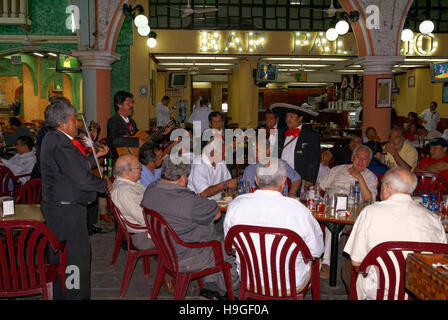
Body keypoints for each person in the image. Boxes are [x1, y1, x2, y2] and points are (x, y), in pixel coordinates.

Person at [40, 97, 111, 300]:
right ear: (62, 122)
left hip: (60, 211)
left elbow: (72, 169)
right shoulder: (61, 143)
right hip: (66, 214)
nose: (77, 123)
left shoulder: (54, 138)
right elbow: (81, 179)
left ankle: (64, 294)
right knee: (74, 260)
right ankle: (73, 296)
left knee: (62, 258)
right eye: (74, 119)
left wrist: (96, 157)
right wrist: (104, 184)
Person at [141, 156, 240, 300]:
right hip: (186, 255)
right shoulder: (188, 201)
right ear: (182, 178)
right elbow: (217, 214)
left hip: (166, 250)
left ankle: (211, 287)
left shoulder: (151, 190)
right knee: (230, 252)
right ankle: (230, 292)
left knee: (209, 234)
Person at [343, 167, 447, 300]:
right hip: (422, 290)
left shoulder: (370, 212)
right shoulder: (433, 217)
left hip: (381, 292)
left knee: (347, 266)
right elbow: (442, 259)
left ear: (387, 188)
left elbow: (356, 262)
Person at [224, 158, 324, 290]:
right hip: (289, 284)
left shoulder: (235, 206)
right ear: (283, 183)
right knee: (317, 261)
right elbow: (316, 251)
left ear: (256, 179)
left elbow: (231, 246)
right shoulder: (299, 211)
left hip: (250, 280)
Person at [317, 145, 378, 279]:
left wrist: (359, 178)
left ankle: (326, 262)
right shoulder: (337, 169)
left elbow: (369, 199)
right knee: (331, 223)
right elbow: (319, 187)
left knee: (332, 226)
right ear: (352, 157)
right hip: (331, 209)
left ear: (368, 162)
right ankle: (319, 260)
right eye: (358, 157)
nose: (360, 162)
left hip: (354, 216)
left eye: (365, 159)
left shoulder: (370, 177)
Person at [271, 103, 321, 189]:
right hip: (280, 176)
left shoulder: (311, 136)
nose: (288, 119)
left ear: (300, 118)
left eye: (291, 116)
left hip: (300, 177)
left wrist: (311, 179)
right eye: (287, 117)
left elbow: (314, 159)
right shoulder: (280, 134)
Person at [110, 154, 155, 250]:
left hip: (147, 228)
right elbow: (144, 219)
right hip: (143, 236)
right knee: (186, 231)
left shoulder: (129, 183)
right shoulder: (124, 191)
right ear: (127, 172)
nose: (141, 170)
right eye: (139, 168)